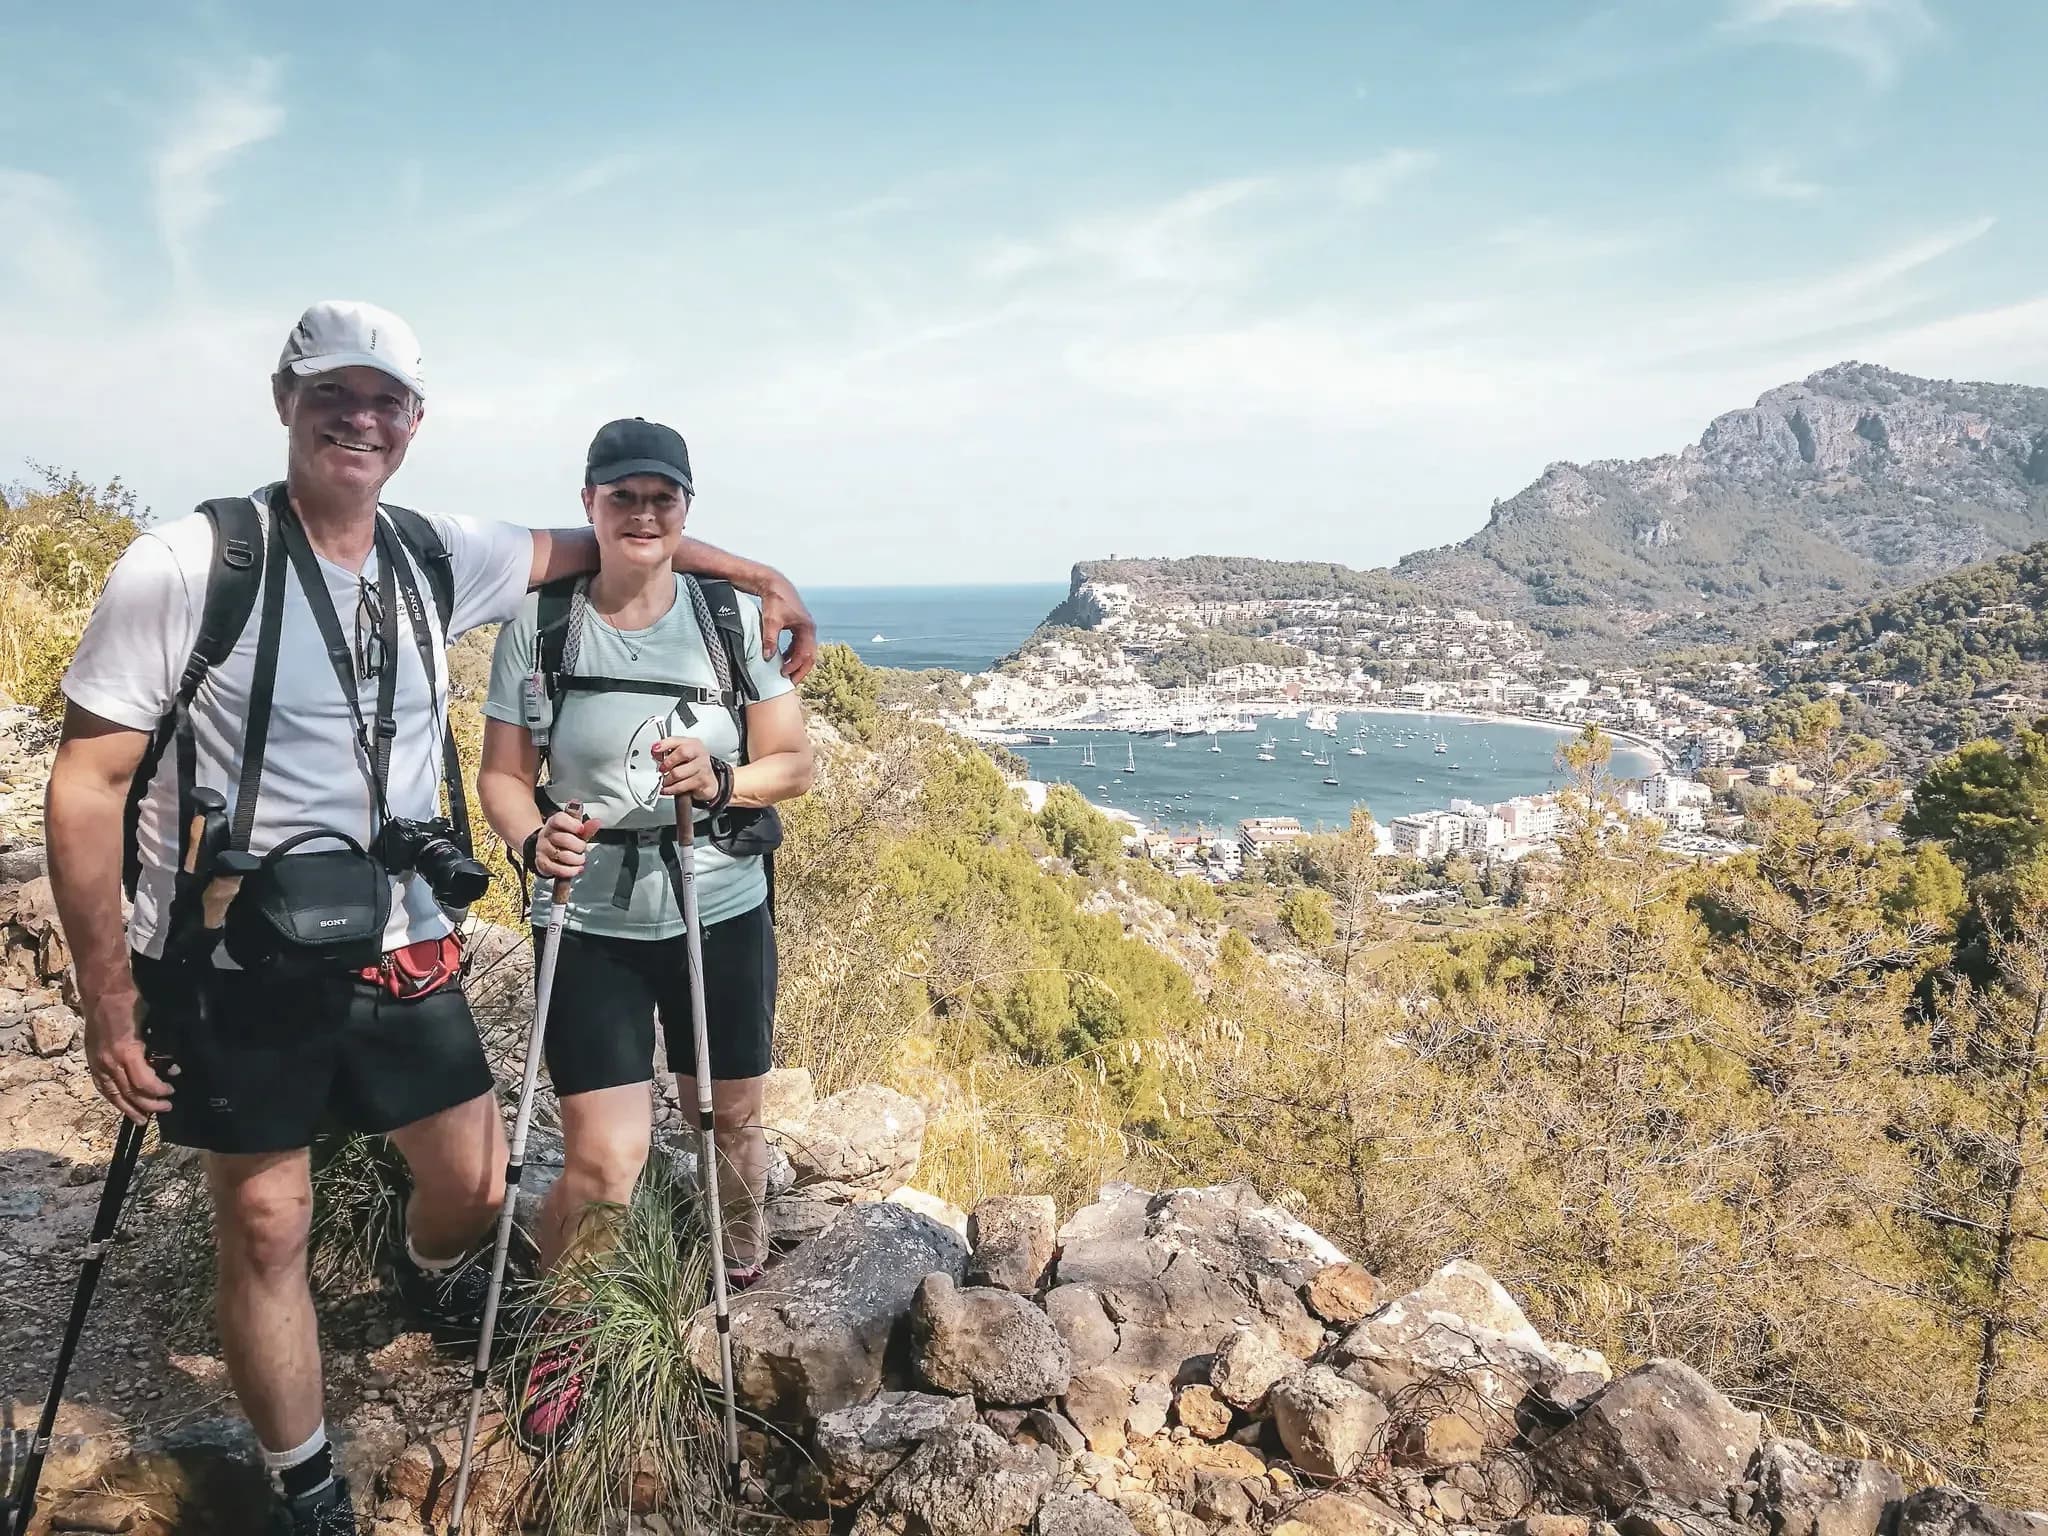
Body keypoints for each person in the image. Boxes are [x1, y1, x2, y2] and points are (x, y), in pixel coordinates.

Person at [43, 302, 816, 1536]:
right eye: (334, 395)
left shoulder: (432, 553)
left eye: (384, 401)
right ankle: (309, 1485)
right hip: (240, 950)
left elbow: (612, 542)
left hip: (403, 939)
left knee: (469, 1183)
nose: (360, 419)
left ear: (413, 422)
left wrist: (755, 574)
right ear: (285, 399)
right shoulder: (188, 564)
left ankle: (435, 1270)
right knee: (265, 1216)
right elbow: (86, 782)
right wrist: (108, 998)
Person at [476, 417, 814, 1447]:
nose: (642, 513)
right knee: (606, 1156)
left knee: (731, 1113)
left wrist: (721, 779)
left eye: (661, 498)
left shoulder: (727, 622)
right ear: (589, 504)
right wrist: (534, 840)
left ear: (684, 510)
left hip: (717, 903)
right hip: (587, 916)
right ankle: (566, 1331)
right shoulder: (539, 627)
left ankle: (736, 1253)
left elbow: (791, 761)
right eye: (622, 496)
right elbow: (500, 774)